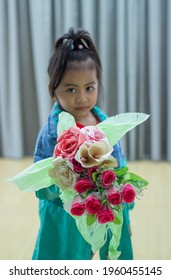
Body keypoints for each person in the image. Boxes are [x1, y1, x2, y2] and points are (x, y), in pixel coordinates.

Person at [32, 27, 133, 260]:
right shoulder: (51, 133)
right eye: (71, 89)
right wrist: (73, 189)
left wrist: (126, 215)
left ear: (98, 84)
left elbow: (120, 171)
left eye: (89, 88)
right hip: (65, 217)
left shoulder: (105, 124)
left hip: (105, 210)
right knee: (66, 258)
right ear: (54, 91)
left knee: (112, 255)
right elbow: (41, 184)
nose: (82, 98)